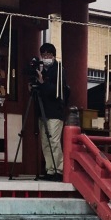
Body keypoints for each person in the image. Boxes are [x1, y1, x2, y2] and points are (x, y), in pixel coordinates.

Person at [34, 43, 68, 181]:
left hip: (55, 111)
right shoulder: (41, 69)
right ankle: (49, 169)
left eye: (48, 55)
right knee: (45, 142)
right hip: (43, 111)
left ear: (53, 56)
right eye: (43, 55)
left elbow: (57, 91)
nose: (45, 57)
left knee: (54, 141)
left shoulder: (59, 69)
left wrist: (42, 82)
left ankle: (59, 170)